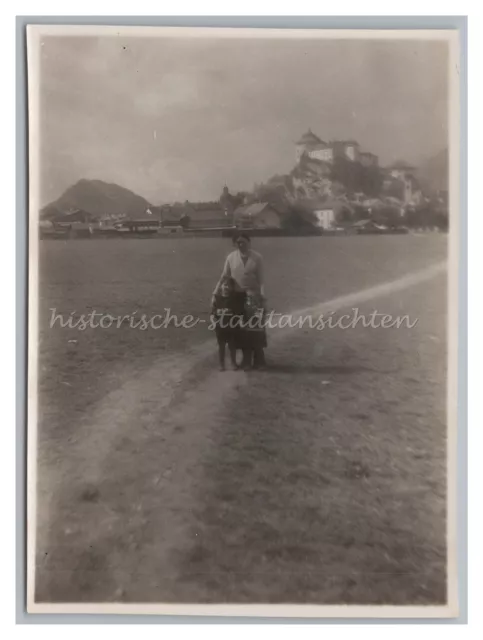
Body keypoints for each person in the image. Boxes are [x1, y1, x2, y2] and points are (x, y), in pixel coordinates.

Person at [212, 233, 266, 369]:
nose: (241, 245)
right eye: (238, 243)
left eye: (243, 242)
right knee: (241, 331)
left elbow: (261, 280)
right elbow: (224, 276)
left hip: (253, 297)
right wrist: (215, 293)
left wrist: (262, 298)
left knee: (255, 329)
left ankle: (259, 360)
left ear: (249, 242)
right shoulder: (231, 257)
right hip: (236, 297)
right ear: (235, 244)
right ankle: (246, 360)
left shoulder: (257, 258)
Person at [210, 276, 244, 371]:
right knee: (221, 346)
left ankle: (233, 363)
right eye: (224, 285)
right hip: (220, 327)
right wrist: (213, 322)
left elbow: (239, 313)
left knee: (232, 346)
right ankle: (222, 364)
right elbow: (212, 314)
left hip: (232, 327)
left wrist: (240, 322)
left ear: (232, 288)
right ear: (221, 286)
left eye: (229, 286)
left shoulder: (234, 300)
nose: (226, 288)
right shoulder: (217, 299)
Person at [243, 289, 268, 370]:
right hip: (248, 331)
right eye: (248, 299)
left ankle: (260, 363)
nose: (250, 300)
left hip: (257, 331)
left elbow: (260, 317)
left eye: (253, 299)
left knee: (258, 348)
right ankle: (247, 363)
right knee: (247, 348)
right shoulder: (245, 307)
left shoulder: (259, 308)